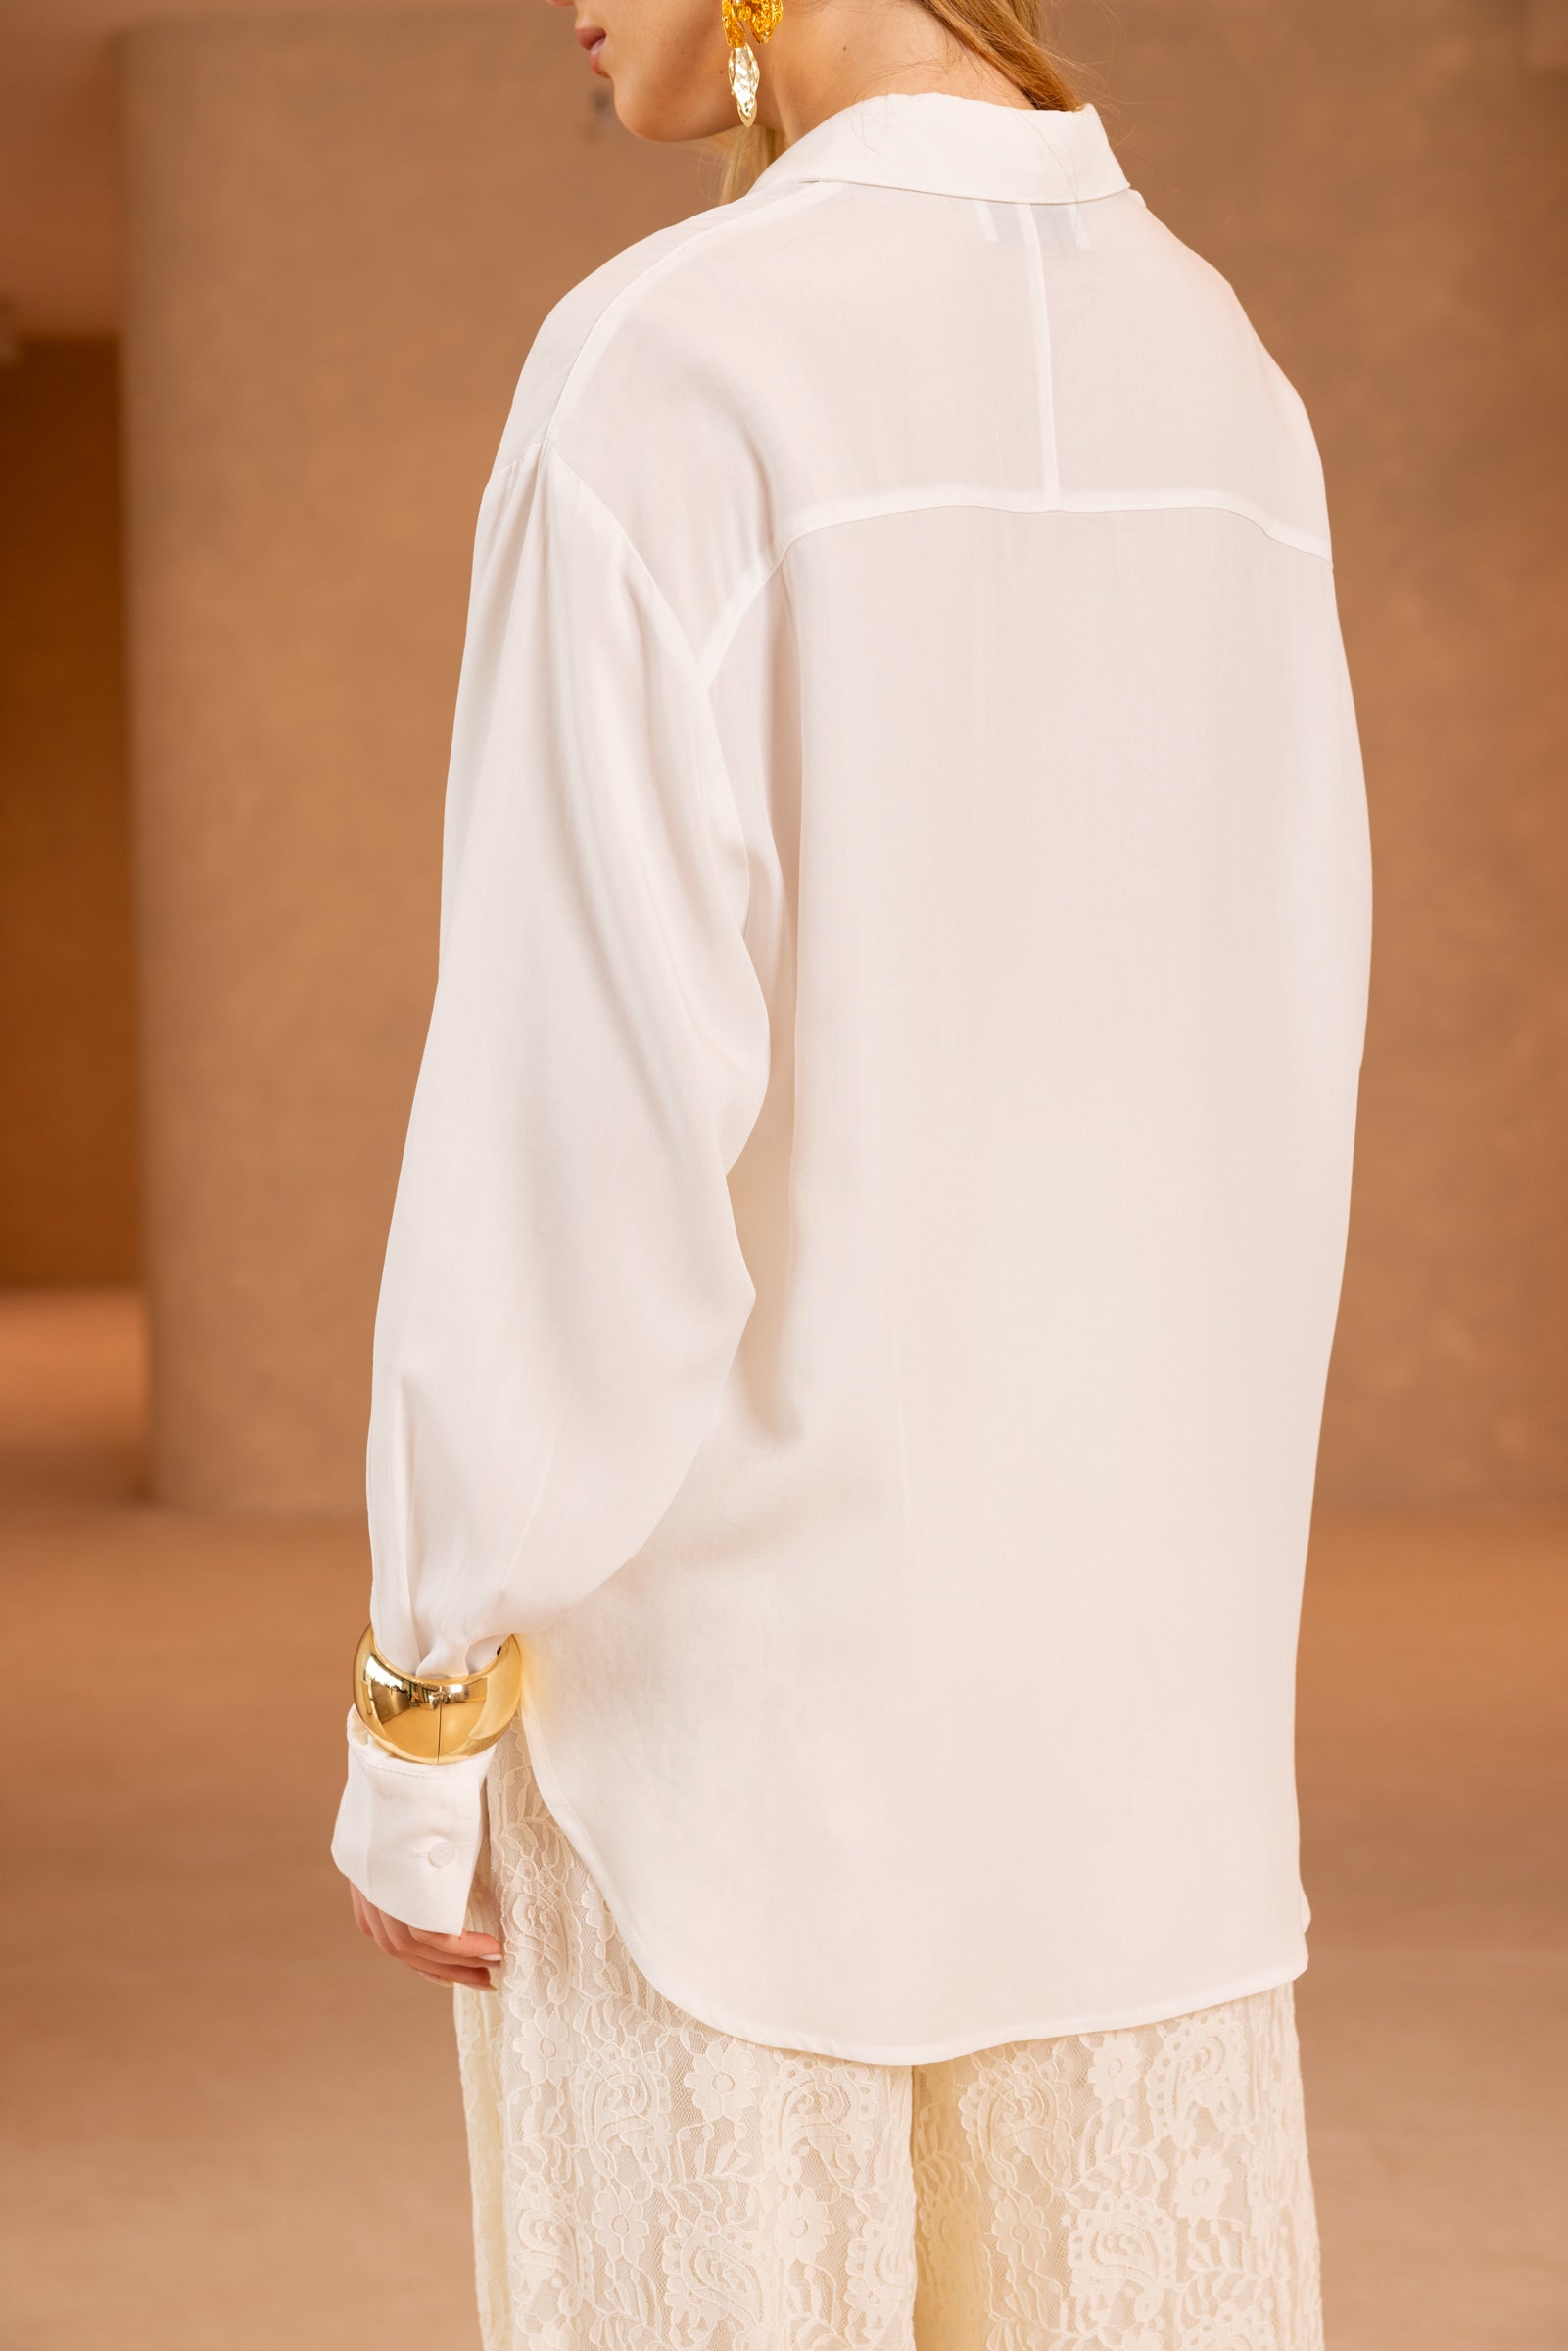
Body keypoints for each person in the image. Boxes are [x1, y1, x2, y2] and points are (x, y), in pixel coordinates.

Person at [330, 0, 1371, 2338]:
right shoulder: (1232, 384)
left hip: (726, 1773)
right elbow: (1284, 1029)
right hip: (1147, 1765)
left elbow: (578, 1118)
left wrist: (423, 1692)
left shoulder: (669, 367)